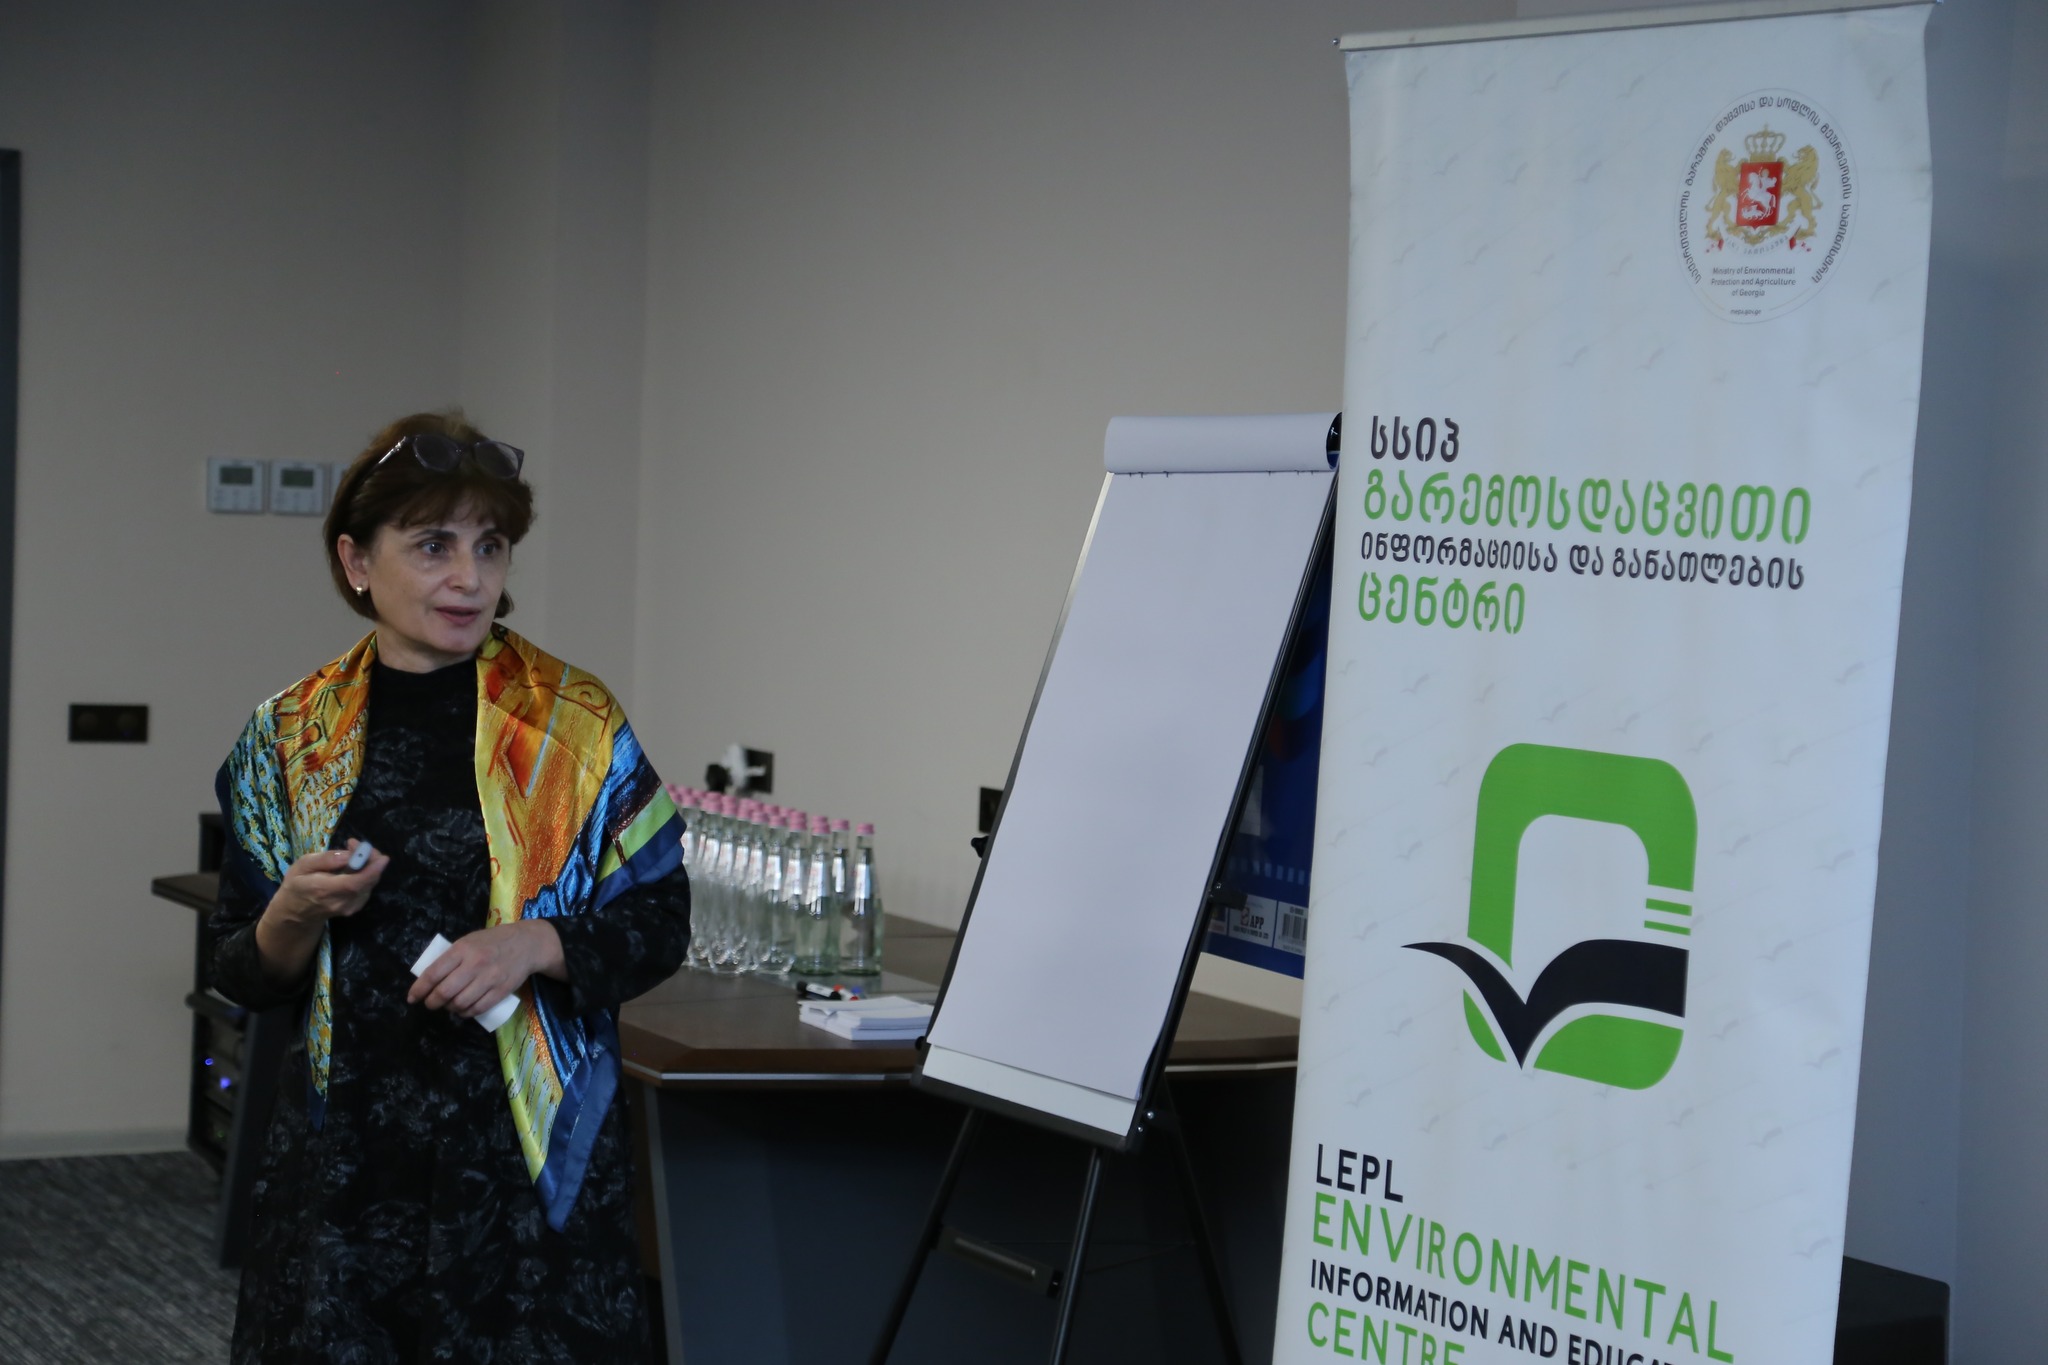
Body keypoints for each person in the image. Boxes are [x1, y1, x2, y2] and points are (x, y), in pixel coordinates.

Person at [207, 411, 691, 1362]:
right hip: (349, 1154)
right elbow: (243, 969)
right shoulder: (288, 734)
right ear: (356, 560)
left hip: (519, 1152)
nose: (470, 577)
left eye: (490, 545)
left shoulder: (575, 723)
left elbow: (661, 919)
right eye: (433, 545)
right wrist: (293, 911)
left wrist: (535, 942)